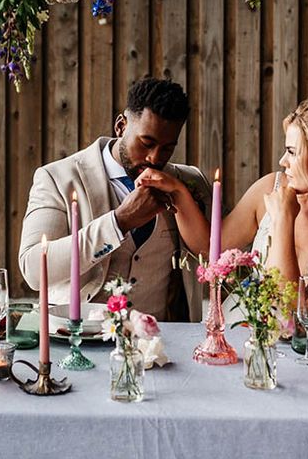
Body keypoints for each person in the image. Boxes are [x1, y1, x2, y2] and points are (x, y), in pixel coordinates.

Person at [138, 88, 308, 310]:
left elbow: (290, 315)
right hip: (239, 335)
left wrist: (283, 221)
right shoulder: (272, 186)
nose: (282, 161)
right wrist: (178, 193)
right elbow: (212, 248)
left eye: (292, 152)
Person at [18, 77, 211, 322]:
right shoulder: (57, 178)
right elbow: (34, 270)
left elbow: (218, 253)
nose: (154, 157)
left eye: (167, 148)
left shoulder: (189, 182)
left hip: (163, 344)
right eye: (146, 143)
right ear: (121, 126)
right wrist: (119, 222)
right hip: (79, 339)